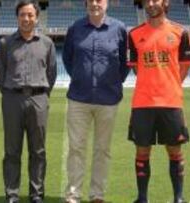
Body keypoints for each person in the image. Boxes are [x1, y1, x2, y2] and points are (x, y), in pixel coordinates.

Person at [62, 0, 129, 202]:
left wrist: (113, 82)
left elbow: (125, 63)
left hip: (108, 99)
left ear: (106, 3)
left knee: (102, 149)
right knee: (76, 148)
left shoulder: (119, 29)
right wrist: (81, 78)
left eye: (99, 0)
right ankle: (73, 194)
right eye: (90, 0)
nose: (94, 3)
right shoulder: (75, 28)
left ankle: (97, 194)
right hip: (78, 99)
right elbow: (68, 58)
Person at [127, 0, 190, 202]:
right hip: (142, 103)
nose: (151, 4)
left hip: (170, 103)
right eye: (147, 1)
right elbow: (136, 67)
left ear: (166, 3)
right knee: (142, 150)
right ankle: (142, 198)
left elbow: (185, 66)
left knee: (174, 150)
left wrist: (169, 85)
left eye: (156, 0)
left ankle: (178, 198)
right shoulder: (134, 34)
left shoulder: (181, 32)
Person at [0, 1, 57, 203]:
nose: (26, 19)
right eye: (23, 14)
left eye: (30, 15)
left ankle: (36, 194)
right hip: (12, 98)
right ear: (17, 17)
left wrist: (43, 94)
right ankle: (12, 195)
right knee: (12, 150)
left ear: (36, 17)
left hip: (39, 98)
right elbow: (0, 73)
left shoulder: (47, 43)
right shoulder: (5, 43)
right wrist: (11, 93)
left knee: (38, 151)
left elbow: (52, 72)